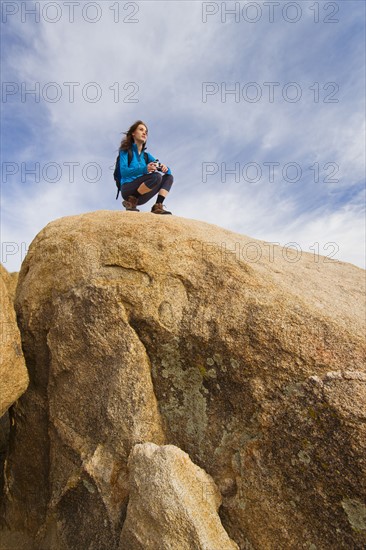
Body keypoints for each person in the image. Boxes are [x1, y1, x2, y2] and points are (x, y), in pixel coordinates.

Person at [117, 120, 174, 214]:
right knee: (156, 176)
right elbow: (124, 172)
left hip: (142, 195)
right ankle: (131, 201)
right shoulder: (125, 151)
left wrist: (165, 168)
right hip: (128, 189)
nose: (144, 133)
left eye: (146, 132)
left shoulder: (146, 156)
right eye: (141, 130)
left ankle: (157, 206)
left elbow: (167, 172)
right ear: (133, 133)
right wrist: (144, 169)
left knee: (169, 177)